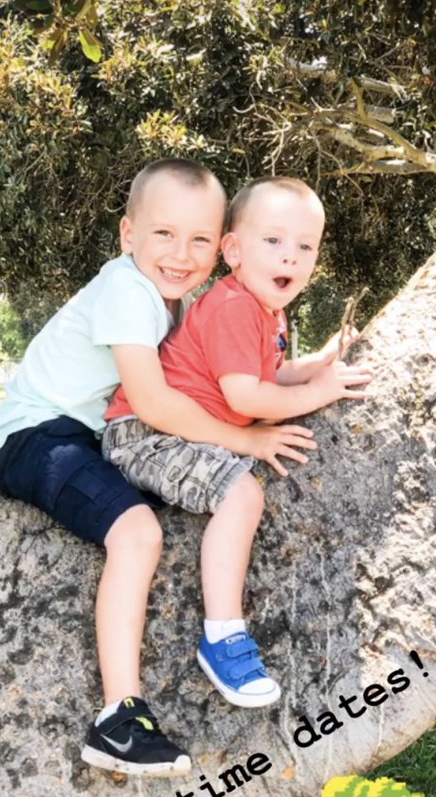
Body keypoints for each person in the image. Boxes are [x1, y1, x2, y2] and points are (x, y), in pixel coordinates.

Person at [0, 160, 313, 777]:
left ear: (222, 248)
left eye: (199, 240)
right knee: (137, 533)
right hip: (36, 437)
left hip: (89, 437)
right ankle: (118, 718)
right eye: (164, 234)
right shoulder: (128, 291)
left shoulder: (179, 300)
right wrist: (247, 436)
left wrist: (317, 368)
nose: (182, 254)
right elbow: (156, 404)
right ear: (128, 235)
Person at [103, 177, 372, 708]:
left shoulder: (266, 311)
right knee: (242, 493)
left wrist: (317, 364)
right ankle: (222, 635)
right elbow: (247, 397)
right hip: (145, 435)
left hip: (183, 435)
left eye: (305, 246)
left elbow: (267, 377)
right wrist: (318, 391)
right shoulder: (232, 306)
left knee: (242, 488)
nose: (290, 257)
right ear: (232, 250)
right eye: (272, 241)